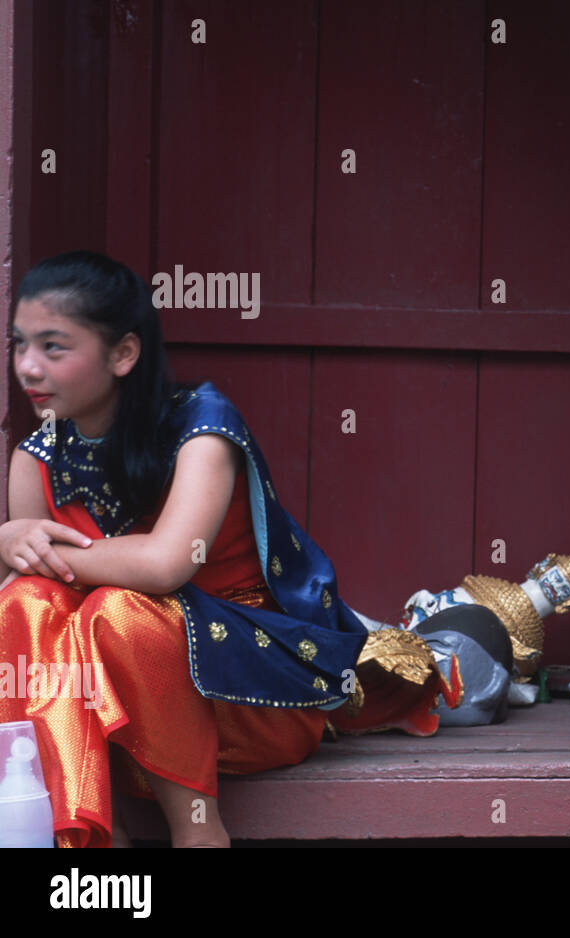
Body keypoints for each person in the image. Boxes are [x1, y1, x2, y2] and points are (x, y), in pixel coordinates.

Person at [0, 251, 454, 847]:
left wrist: (16, 547)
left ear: (124, 354)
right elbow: (36, 603)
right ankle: (86, 843)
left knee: (117, 610)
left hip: (248, 696)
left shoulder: (202, 429)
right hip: (114, 725)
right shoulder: (36, 458)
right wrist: (17, 560)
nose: (27, 367)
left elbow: (166, 564)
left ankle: (200, 833)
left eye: (54, 347)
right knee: (26, 603)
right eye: (18, 344)